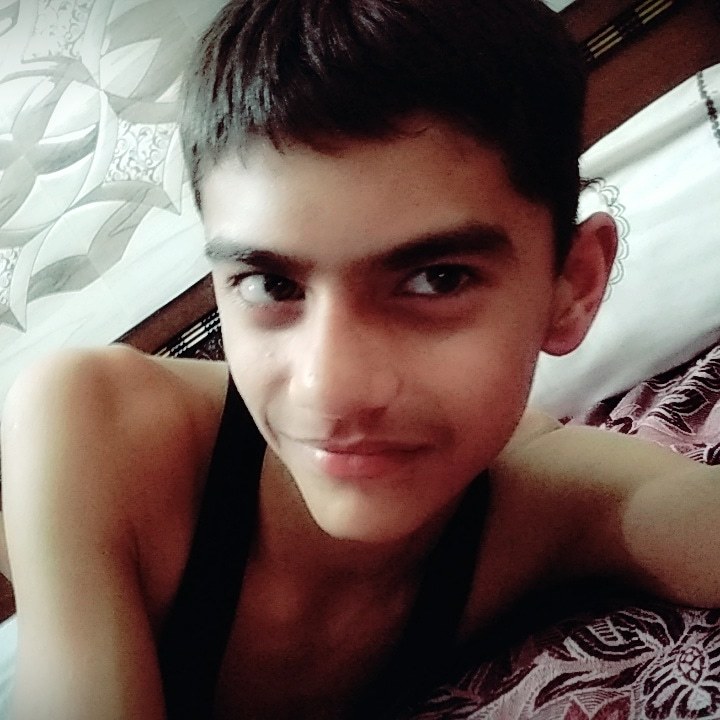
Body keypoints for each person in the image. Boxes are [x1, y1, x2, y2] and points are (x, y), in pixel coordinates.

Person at [2, 0, 720, 718]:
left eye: (437, 279)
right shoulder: (95, 425)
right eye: (271, 285)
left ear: (574, 287)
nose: (330, 388)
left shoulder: (546, 506)